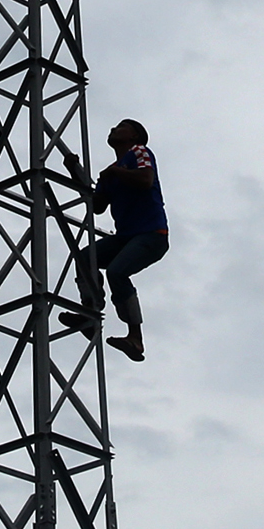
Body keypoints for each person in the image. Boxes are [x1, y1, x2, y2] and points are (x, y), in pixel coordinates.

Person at [76, 118, 167, 361]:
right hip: (128, 237)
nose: (113, 128)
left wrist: (115, 173)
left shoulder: (139, 152)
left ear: (134, 137)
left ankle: (135, 337)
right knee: (86, 257)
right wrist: (78, 176)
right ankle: (89, 311)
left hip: (151, 234)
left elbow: (146, 180)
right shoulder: (113, 170)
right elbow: (97, 207)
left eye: (121, 127)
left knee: (117, 272)